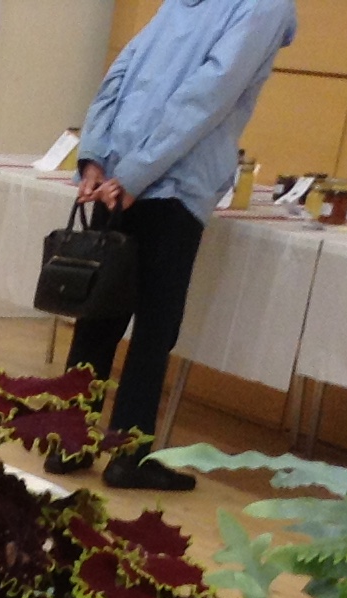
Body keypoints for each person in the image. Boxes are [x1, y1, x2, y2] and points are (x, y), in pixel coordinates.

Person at [56, 0, 298, 491]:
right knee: (153, 327)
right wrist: (135, 170)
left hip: (119, 176)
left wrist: (97, 156)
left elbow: (123, 70)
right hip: (171, 181)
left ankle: (68, 441)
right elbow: (208, 96)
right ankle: (128, 457)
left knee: (98, 315)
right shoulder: (265, 6)